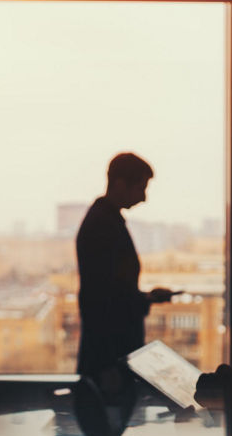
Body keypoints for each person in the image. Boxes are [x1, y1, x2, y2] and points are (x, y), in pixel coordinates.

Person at [75, 153, 176, 397]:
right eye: (140, 188)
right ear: (120, 184)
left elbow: (109, 290)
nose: (144, 197)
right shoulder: (104, 225)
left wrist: (146, 298)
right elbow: (105, 300)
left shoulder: (103, 221)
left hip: (107, 354)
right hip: (110, 356)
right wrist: (109, 365)